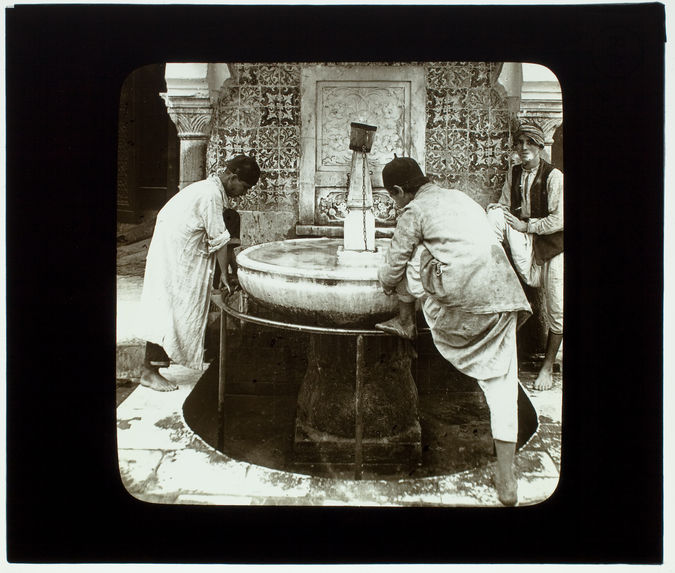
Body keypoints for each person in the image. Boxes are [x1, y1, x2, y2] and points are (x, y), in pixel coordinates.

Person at [375, 156, 532, 506]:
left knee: (413, 254)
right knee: (502, 387)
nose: (396, 203)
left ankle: (404, 321)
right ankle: (506, 478)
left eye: (393, 197)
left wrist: (384, 282)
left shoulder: (413, 211)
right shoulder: (460, 198)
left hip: (463, 304)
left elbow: (395, 263)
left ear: (400, 191)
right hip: (503, 294)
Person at [137, 155, 260, 392]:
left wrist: (230, 270)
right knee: (167, 310)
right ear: (232, 177)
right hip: (174, 257)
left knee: (175, 309)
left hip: (179, 253)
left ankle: (177, 358)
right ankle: (148, 371)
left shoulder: (211, 192)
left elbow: (223, 236)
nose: (243, 193)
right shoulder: (210, 194)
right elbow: (219, 240)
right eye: (243, 187)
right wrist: (225, 274)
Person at [486, 123, 563, 391]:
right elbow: (504, 206)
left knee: (557, 308)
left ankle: (547, 367)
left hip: (553, 245)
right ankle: (492, 272)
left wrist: (526, 226)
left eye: (530, 143)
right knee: (494, 214)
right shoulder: (515, 172)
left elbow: (560, 219)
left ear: (541, 147)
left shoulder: (554, 176)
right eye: (520, 143)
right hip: (525, 240)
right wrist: (498, 213)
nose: (524, 148)